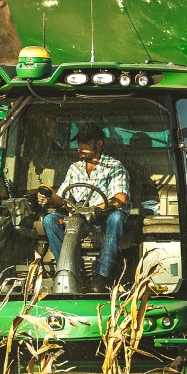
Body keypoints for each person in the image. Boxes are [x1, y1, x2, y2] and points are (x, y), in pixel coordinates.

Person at [37, 123, 130, 292]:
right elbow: (62, 199)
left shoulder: (114, 166)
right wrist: (49, 197)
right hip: (79, 220)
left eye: (85, 142)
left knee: (117, 217)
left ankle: (101, 276)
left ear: (99, 144)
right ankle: (72, 272)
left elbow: (121, 198)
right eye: (79, 142)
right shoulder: (74, 168)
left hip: (103, 219)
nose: (80, 147)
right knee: (50, 220)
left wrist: (98, 209)